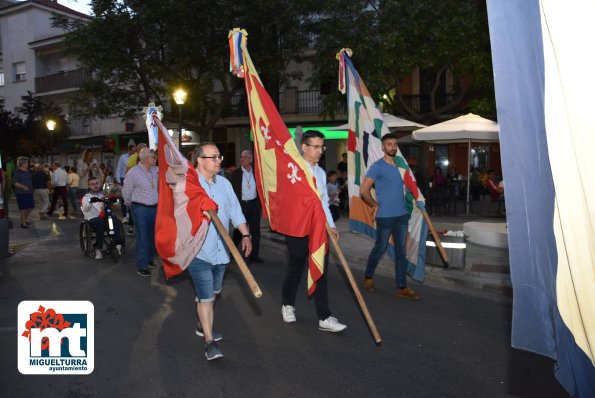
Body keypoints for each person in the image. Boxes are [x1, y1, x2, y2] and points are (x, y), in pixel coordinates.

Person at [189, 142, 252, 361]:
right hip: (198, 251)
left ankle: (202, 323)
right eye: (213, 157)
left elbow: (235, 210)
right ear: (200, 160)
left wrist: (245, 235)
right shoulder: (188, 184)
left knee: (214, 293)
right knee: (206, 297)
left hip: (222, 251)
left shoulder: (224, 183)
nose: (218, 161)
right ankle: (209, 342)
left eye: (219, 157)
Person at [281, 130, 347, 333]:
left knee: (321, 269)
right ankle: (288, 304)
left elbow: (323, 202)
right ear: (304, 147)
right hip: (297, 227)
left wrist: (331, 225)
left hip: (318, 227)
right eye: (316, 147)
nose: (320, 151)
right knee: (296, 265)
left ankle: (324, 316)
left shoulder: (319, 172)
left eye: (322, 147)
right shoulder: (293, 168)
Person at [359, 133, 423, 300]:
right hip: (385, 216)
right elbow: (363, 191)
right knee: (380, 248)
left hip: (402, 215)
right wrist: (375, 205)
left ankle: (402, 287)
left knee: (401, 251)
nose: (393, 147)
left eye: (395, 144)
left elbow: (408, 186)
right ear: (383, 147)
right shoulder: (377, 166)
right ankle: (368, 277)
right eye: (389, 144)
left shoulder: (401, 167)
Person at [122, 148, 158, 277]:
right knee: (142, 237)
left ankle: (149, 260)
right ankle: (141, 265)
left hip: (154, 207)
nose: (155, 159)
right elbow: (126, 190)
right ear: (145, 159)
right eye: (153, 157)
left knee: (151, 236)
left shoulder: (155, 170)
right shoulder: (133, 172)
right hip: (140, 208)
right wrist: (129, 205)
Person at [230, 149, 262, 264]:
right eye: (242, 157)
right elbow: (232, 191)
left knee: (255, 231)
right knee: (239, 231)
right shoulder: (236, 173)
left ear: (251, 160)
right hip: (241, 205)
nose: (242, 159)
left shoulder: (257, 173)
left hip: (254, 205)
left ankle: (254, 255)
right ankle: (232, 253)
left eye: (245, 157)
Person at [81, 176, 123, 260]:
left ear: (100, 184)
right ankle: (98, 249)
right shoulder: (86, 197)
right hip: (93, 218)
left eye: (97, 183)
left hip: (105, 217)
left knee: (115, 220)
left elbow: (115, 204)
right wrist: (90, 201)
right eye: (92, 184)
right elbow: (85, 209)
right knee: (100, 222)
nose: (95, 185)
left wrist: (114, 199)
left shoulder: (103, 195)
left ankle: (118, 244)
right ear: (89, 186)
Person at [13, 156, 34, 228]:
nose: (28, 164)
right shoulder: (17, 172)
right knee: (23, 208)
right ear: (22, 163)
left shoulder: (28, 171)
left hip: (30, 192)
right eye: (26, 163)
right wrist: (23, 187)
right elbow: (15, 183)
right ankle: (23, 222)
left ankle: (24, 219)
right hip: (21, 193)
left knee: (30, 207)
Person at [116, 144, 135, 223]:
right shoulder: (123, 157)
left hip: (133, 179)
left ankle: (131, 216)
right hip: (123, 179)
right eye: (133, 151)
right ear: (129, 150)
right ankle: (124, 216)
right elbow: (119, 169)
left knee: (132, 198)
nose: (134, 152)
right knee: (123, 198)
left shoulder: (136, 158)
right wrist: (119, 181)